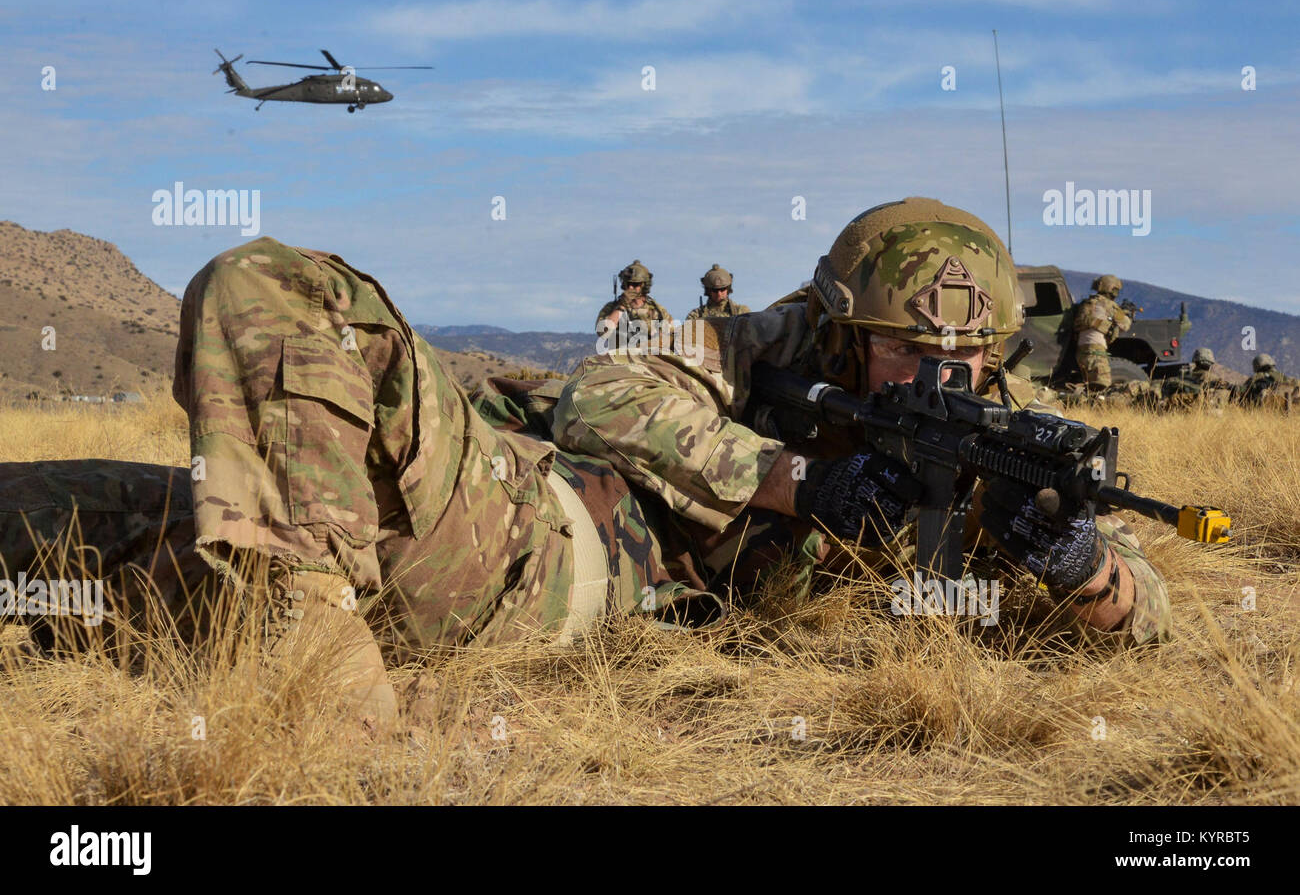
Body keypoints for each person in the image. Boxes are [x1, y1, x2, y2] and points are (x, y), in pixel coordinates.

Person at [0, 198, 1171, 731]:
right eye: (911, 352)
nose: (945, 378)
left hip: (554, 578)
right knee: (40, 512)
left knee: (271, 283)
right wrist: (794, 482)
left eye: (970, 353)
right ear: (840, 328)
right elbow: (604, 390)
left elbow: (1148, 608)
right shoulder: (752, 346)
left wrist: (1077, 566)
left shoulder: (1003, 443)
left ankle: (317, 668)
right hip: (507, 512)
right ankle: (296, 597)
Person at [1072, 275, 1131, 393]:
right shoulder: (1110, 305)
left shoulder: (1086, 304)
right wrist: (1126, 314)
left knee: (1088, 388)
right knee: (1102, 389)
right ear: (1112, 289)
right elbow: (1125, 324)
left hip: (1081, 352)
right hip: (1096, 352)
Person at [594, 260, 673, 337]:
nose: (630, 287)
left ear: (644, 285)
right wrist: (621, 307)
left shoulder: (657, 310)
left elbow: (672, 332)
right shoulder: (611, 308)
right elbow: (602, 332)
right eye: (628, 284)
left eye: (635, 284)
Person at [685, 264, 750, 321]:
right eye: (715, 290)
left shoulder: (741, 312)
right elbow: (688, 334)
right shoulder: (696, 315)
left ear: (728, 289)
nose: (719, 294)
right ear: (708, 291)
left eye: (722, 289)